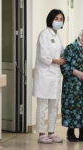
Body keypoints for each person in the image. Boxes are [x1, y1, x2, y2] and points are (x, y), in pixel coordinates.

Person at [33, 9, 65, 144]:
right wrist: (58, 61)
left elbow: (62, 53)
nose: (58, 21)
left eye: (61, 19)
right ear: (50, 19)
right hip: (44, 75)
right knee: (42, 105)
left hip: (55, 76)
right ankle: (41, 133)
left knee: (54, 104)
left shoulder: (58, 37)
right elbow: (44, 56)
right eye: (56, 19)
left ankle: (51, 132)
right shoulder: (44, 34)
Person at [60, 28, 83, 142]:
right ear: (80, 37)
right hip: (73, 86)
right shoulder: (71, 48)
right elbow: (64, 66)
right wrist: (76, 72)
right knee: (72, 108)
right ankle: (70, 133)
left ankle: (82, 133)